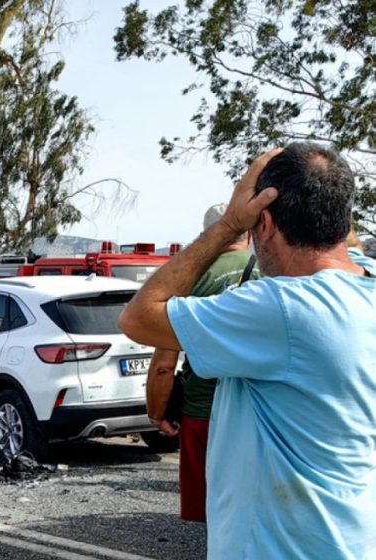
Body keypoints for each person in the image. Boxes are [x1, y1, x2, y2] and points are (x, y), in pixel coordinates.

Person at [119, 143, 376, 559]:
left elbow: (138, 317)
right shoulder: (367, 286)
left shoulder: (284, 308)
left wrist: (228, 225)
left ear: (266, 223)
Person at [145, 202, 257, 523]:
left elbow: (165, 364)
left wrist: (157, 413)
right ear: (249, 232)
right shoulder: (275, 272)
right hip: (261, 412)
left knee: (213, 514)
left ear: (208, 236)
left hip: (203, 412)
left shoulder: (189, 280)